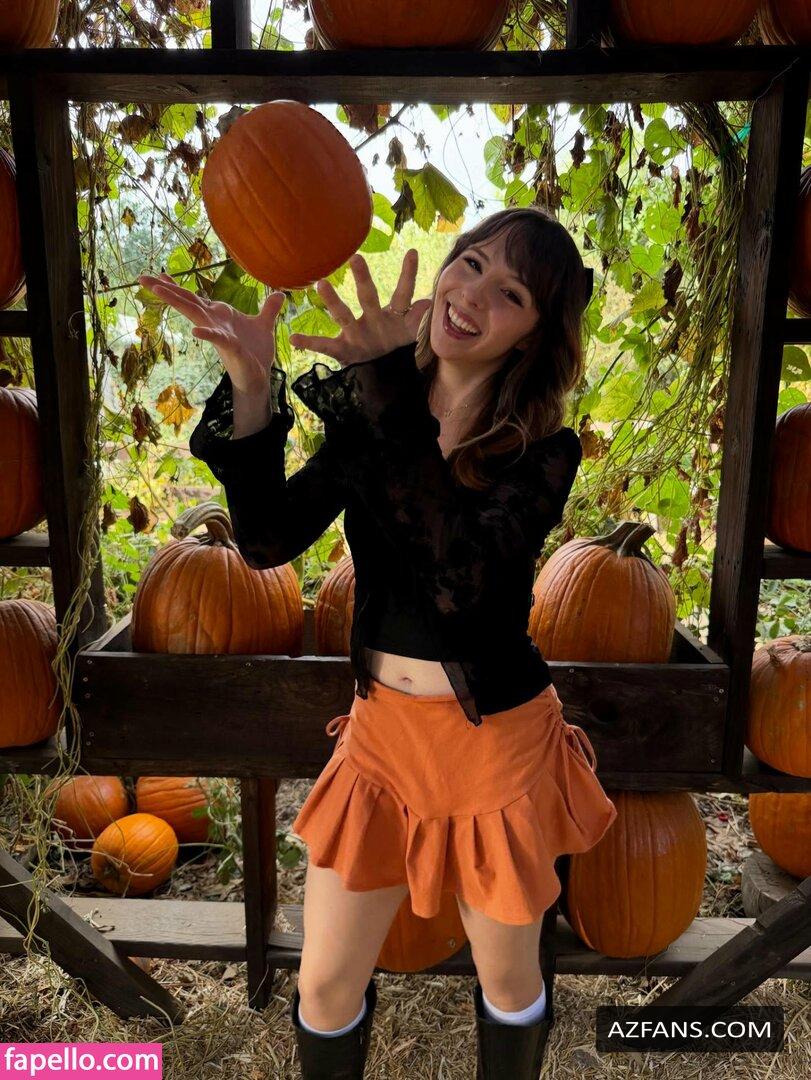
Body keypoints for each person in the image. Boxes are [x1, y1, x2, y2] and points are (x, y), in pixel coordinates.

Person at [140, 206, 618, 1080]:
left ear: (531, 336)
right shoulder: (373, 420)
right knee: (324, 984)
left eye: (510, 293)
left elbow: (457, 583)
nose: (473, 294)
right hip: (381, 741)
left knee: (507, 976)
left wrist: (388, 386)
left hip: (497, 750)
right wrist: (252, 386)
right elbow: (266, 540)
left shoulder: (541, 453)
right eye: (470, 263)